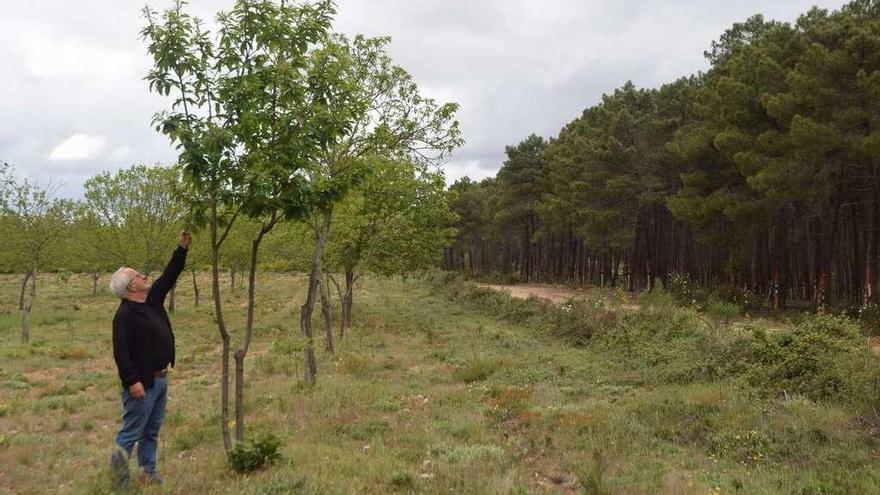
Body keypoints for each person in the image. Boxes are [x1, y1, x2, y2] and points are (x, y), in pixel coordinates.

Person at [108, 231, 191, 488]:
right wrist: (132, 382)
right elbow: (121, 353)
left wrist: (182, 249)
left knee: (151, 432)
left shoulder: (152, 300)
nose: (144, 277)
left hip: (161, 378)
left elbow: (169, 276)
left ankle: (148, 472)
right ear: (131, 286)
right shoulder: (124, 316)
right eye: (138, 276)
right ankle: (119, 483)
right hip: (143, 383)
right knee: (130, 433)